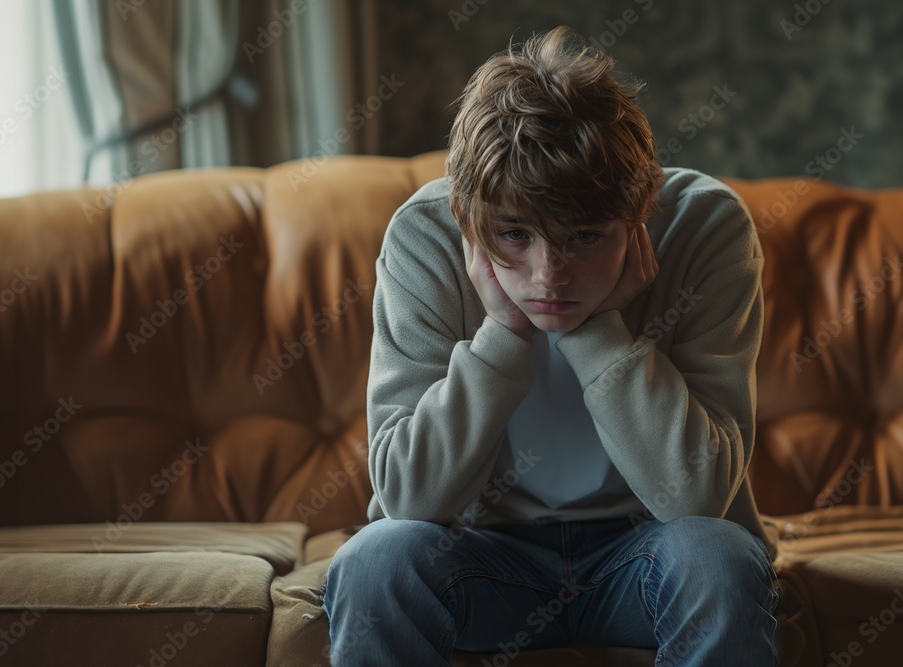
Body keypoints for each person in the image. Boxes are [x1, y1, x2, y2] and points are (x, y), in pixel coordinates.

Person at [321, 25, 780, 666]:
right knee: (374, 563)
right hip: (481, 557)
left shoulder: (705, 226)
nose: (547, 276)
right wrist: (503, 332)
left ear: (638, 213)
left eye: (584, 237)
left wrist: (595, 331)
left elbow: (696, 498)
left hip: (649, 551)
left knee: (717, 557)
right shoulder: (425, 236)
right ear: (469, 217)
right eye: (514, 234)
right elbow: (409, 497)